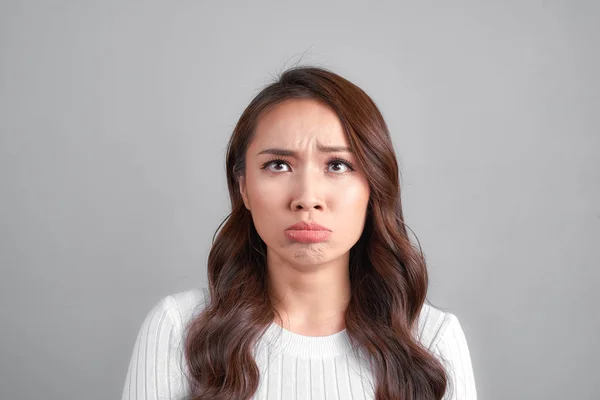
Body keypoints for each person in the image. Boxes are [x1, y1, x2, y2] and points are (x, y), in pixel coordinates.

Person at [120, 66, 477, 400]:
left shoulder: (431, 342)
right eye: (278, 165)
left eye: (337, 165)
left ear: (374, 186)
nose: (307, 198)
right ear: (242, 186)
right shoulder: (179, 330)